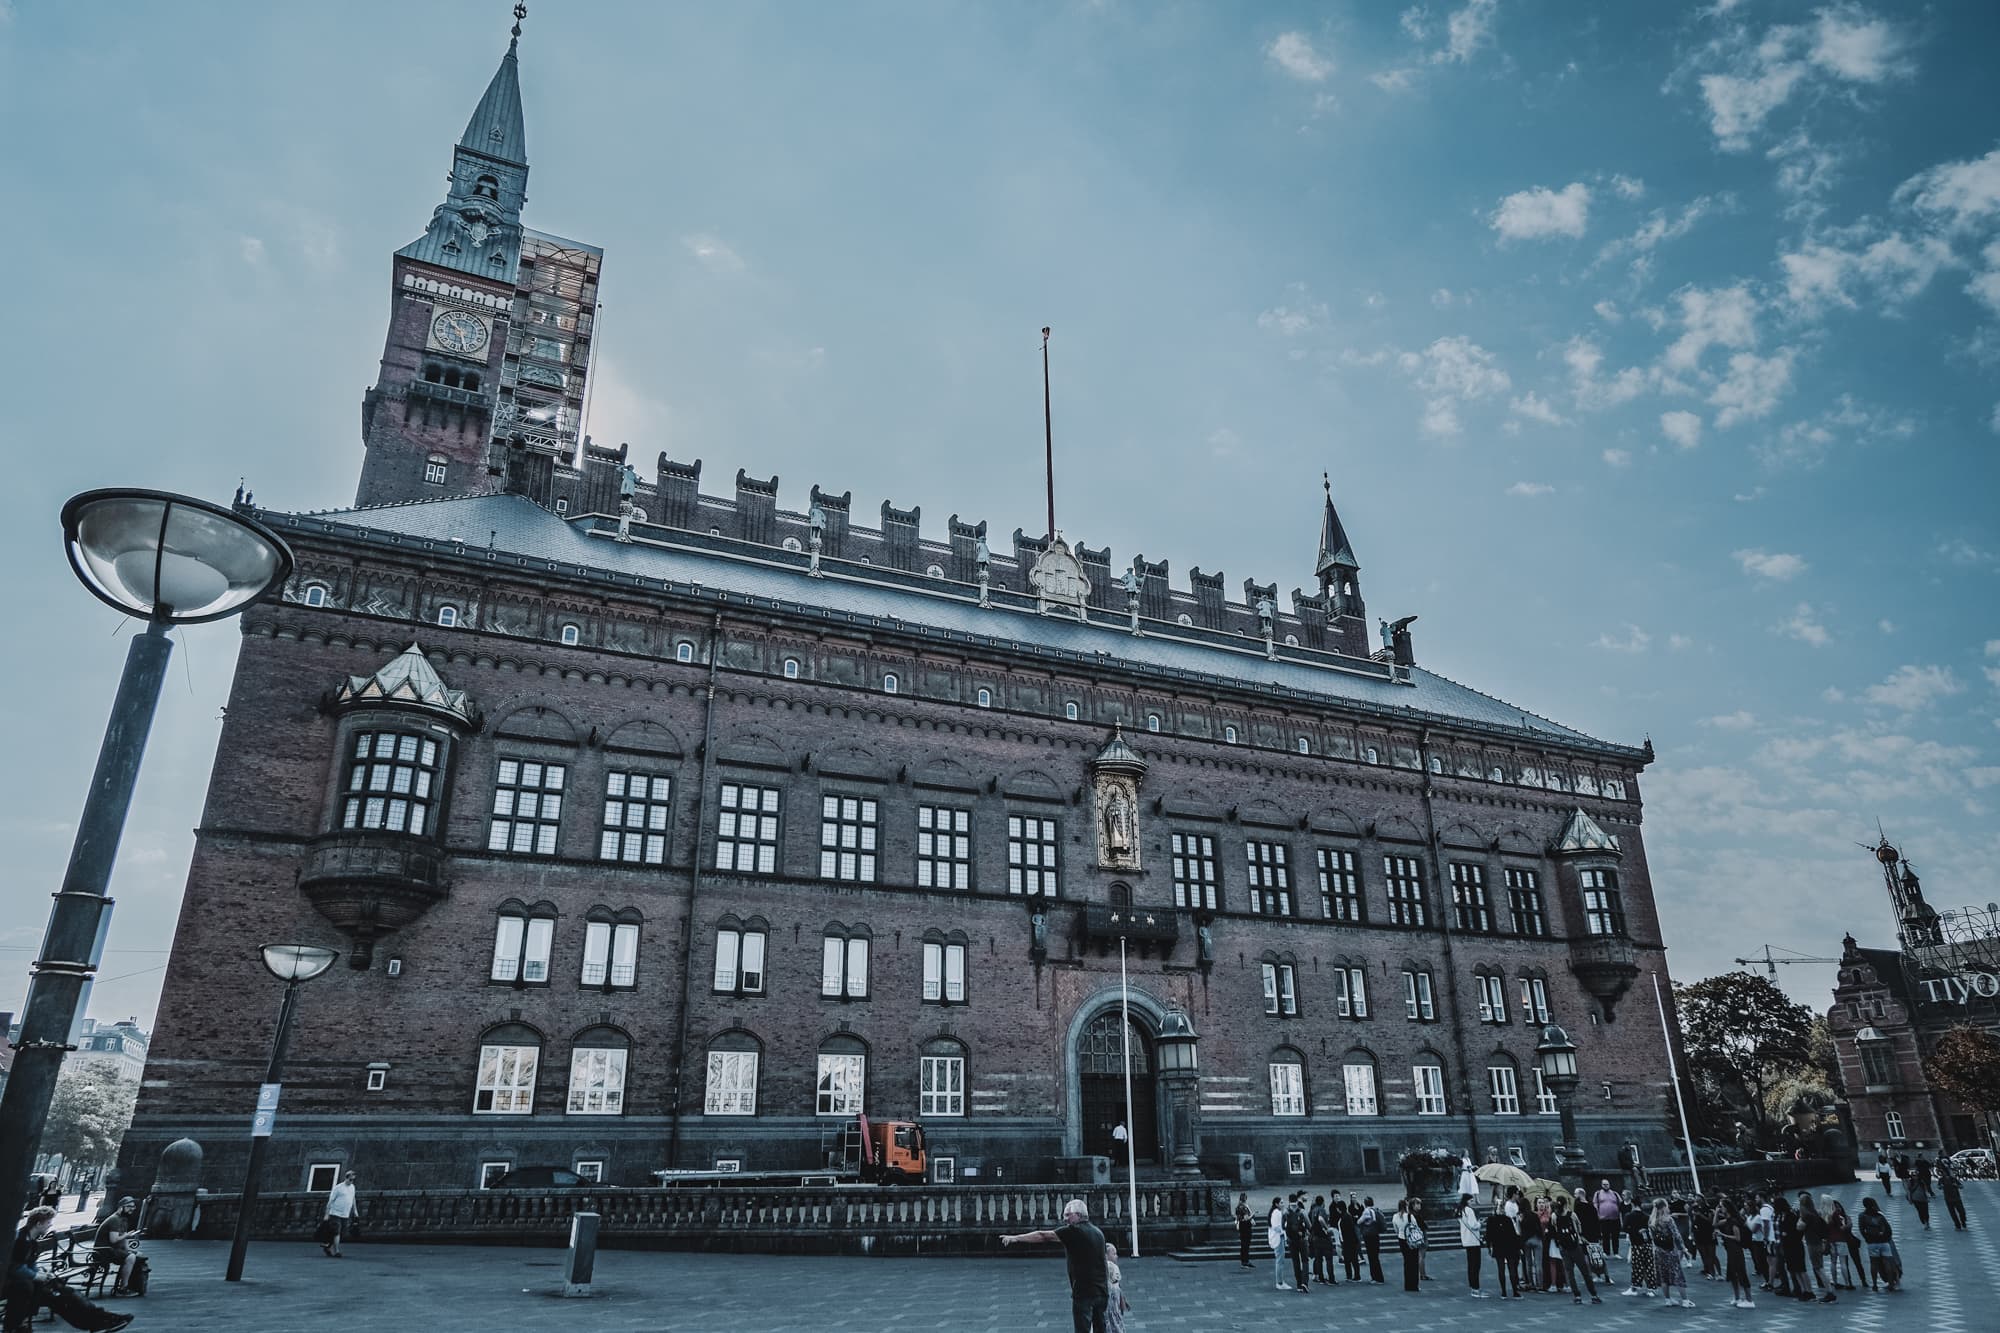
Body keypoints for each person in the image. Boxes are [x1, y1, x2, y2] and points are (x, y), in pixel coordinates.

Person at [6, 1207, 135, 1332]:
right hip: (19, 1284)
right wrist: (37, 1276)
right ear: (39, 1224)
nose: (50, 1226)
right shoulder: (22, 1241)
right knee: (62, 1298)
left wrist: (40, 1273)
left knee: (67, 1293)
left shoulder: (30, 1240)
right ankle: (99, 1322)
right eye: (48, 1223)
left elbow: (29, 1264)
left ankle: (103, 1319)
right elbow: (16, 1268)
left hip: (26, 1282)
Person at [1000, 1198, 1111, 1333]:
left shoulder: (1074, 1231)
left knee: (1082, 1329)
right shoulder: (1098, 1232)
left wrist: (1016, 1238)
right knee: (1101, 1329)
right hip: (1101, 1291)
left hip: (1084, 1291)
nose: (1064, 1219)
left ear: (1078, 1215)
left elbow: (1043, 1236)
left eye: (1067, 1215)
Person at [1551, 1196, 1601, 1304]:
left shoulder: (1554, 1216)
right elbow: (1579, 1227)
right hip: (1575, 1246)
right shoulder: (1572, 1215)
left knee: (1570, 1273)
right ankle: (1593, 1295)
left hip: (1563, 1247)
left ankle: (1577, 1296)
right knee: (1585, 1271)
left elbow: (1554, 1229)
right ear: (1565, 1204)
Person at [92, 1198, 140, 1296]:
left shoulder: (123, 1219)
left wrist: (128, 1249)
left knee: (137, 1255)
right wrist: (127, 1236)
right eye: (129, 1206)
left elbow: (122, 1238)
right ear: (121, 1207)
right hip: (103, 1251)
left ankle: (132, 1285)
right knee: (131, 1257)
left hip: (111, 1249)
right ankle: (123, 1288)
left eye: (133, 1207)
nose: (132, 1209)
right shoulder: (115, 1220)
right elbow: (113, 1239)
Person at [1717, 1198, 1754, 1309]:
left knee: (1741, 1273)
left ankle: (1749, 1299)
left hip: (1736, 1250)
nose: (1720, 1208)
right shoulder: (1727, 1220)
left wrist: (1723, 1235)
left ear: (1727, 1208)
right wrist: (1716, 1213)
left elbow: (1737, 1238)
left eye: (1722, 1206)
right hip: (1730, 1250)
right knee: (1732, 1274)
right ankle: (1737, 1297)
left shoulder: (1733, 1221)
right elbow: (1715, 1223)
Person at [1797, 1192, 1835, 1302]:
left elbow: (1799, 1227)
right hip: (1818, 1242)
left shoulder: (1807, 1215)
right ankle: (1829, 1291)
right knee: (1819, 1267)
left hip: (1812, 1243)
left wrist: (1800, 1217)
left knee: (1818, 1268)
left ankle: (1829, 1292)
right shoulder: (1816, 1214)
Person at [1857, 1196, 1898, 1292]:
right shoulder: (1879, 1214)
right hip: (1884, 1242)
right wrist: (1885, 1237)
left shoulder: (1862, 1216)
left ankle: (1875, 1285)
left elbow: (1861, 1229)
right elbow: (1888, 1228)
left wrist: (1868, 1238)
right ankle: (1891, 1283)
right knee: (1887, 1262)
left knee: (1874, 1263)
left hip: (1872, 1243)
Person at [1486, 1192, 1520, 1299]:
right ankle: (1515, 1291)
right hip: (1509, 1246)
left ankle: (1504, 1292)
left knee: (1501, 1269)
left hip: (1498, 1246)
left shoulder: (1491, 1220)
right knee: (1511, 1268)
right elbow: (1513, 1235)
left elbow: (1488, 1235)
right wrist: (1518, 1247)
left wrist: (1489, 1247)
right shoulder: (1507, 1220)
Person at [1621, 1199, 1656, 1297]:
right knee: (1649, 1266)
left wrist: (1634, 1231)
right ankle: (1651, 1288)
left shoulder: (1629, 1216)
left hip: (1636, 1243)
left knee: (1637, 1266)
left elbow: (1624, 1228)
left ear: (1632, 1204)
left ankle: (1634, 1287)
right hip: (1647, 1243)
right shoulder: (1646, 1216)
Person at [323, 1170, 359, 1257]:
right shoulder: (338, 1188)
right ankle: (337, 1251)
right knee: (337, 1232)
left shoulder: (352, 1187)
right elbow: (330, 1201)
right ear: (346, 1178)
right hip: (335, 1213)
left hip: (345, 1213)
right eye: (350, 1179)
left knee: (342, 1233)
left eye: (353, 1180)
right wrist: (327, 1214)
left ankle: (328, 1246)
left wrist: (355, 1210)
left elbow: (353, 1199)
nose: (351, 1182)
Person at [1457, 1194, 1487, 1298]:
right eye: (1471, 1200)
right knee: (1476, 1265)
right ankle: (1476, 1288)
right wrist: (1480, 1223)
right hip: (1473, 1241)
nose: (1472, 1202)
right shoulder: (1469, 1210)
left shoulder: (1461, 1210)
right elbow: (1473, 1225)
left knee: (1471, 1265)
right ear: (1467, 1201)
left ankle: (1473, 1287)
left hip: (1466, 1240)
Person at [1825, 1200, 1857, 1291]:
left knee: (1833, 1262)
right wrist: (1849, 1224)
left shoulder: (1826, 1215)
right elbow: (1841, 1228)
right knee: (1843, 1262)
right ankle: (1847, 1283)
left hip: (1831, 1240)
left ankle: (1835, 1282)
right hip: (1840, 1239)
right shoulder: (1836, 1215)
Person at [1393, 1199, 1424, 1293]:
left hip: (1402, 1240)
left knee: (1406, 1262)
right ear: (1406, 1206)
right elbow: (1416, 1228)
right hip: (1411, 1240)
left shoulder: (1395, 1216)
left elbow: (1396, 1229)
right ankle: (1414, 1285)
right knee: (1414, 1263)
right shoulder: (1410, 1216)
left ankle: (1407, 1285)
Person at [1516, 1193, 1544, 1293]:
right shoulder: (1534, 1215)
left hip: (1526, 1240)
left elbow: (1518, 1231)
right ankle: (1540, 1285)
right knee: (1538, 1263)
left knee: (1528, 1263)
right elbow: (1539, 1227)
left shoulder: (1520, 1216)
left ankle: (1531, 1284)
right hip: (1536, 1239)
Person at [1283, 1194, 1310, 1293]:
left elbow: (1282, 1226)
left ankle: (1298, 1284)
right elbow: (1309, 1225)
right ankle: (1305, 1282)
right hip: (1302, 1239)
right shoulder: (1302, 1212)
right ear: (1297, 1201)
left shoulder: (1285, 1212)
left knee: (1296, 1262)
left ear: (1289, 1201)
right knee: (1305, 1261)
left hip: (1291, 1240)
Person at [1102, 1242, 1130, 1333]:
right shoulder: (1108, 1267)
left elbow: (1118, 1286)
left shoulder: (1115, 1267)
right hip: (1110, 1306)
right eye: (1114, 1254)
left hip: (1115, 1306)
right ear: (1105, 1255)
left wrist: (1123, 1301)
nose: (1116, 1256)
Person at [1592, 1179, 1623, 1257]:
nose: (1606, 1186)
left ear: (1609, 1185)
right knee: (1605, 1236)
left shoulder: (1614, 1193)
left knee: (1615, 1236)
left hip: (1615, 1218)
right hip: (1603, 1219)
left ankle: (1616, 1252)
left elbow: (1621, 1203)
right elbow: (1595, 1204)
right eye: (1604, 1184)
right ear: (1602, 1185)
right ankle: (1606, 1252)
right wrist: (1597, 1214)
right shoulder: (1598, 1193)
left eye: (1607, 1184)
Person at [1309, 1194, 1335, 1285]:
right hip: (1324, 1237)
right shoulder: (1321, 1210)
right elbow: (1320, 1219)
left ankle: (1321, 1278)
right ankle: (1331, 1279)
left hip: (1315, 1237)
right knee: (1328, 1259)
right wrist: (1327, 1228)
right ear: (1323, 1202)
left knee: (1318, 1259)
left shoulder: (1313, 1210)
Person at [1359, 1196, 1385, 1283]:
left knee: (1371, 1256)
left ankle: (1375, 1277)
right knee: (1375, 1256)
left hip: (1369, 1235)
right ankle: (1379, 1276)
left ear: (1365, 1203)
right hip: (1376, 1234)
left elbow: (1359, 1221)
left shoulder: (1367, 1211)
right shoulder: (1376, 1210)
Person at [1337, 1199, 1363, 1282]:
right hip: (1351, 1240)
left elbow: (1347, 1231)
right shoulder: (1347, 1216)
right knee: (1352, 1259)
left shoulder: (1345, 1217)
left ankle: (1352, 1276)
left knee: (1350, 1259)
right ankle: (1354, 1275)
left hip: (1348, 1241)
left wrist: (1343, 1241)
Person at [1267, 1196, 1289, 1290]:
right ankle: (1279, 1282)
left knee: (1280, 1261)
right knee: (1280, 1261)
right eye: (1281, 1203)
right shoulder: (1276, 1212)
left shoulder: (1277, 1212)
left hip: (1279, 1237)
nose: (1283, 1204)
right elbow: (1276, 1226)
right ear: (1276, 1204)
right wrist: (1283, 1231)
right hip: (1278, 1238)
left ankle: (1280, 1281)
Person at [1938, 1160, 1967, 1230]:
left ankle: (1963, 1223)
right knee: (1953, 1213)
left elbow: (1961, 1186)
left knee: (1962, 1212)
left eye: (1945, 1172)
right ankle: (1957, 1226)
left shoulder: (1953, 1179)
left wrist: (1956, 1185)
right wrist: (1941, 1186)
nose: (1944, 1174)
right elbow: (1939, 1187)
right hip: (1948, 1199)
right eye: (1943, 1173)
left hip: (1957, 1198)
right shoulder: (1941, 1180)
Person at [1233, 1192, 1253, 1269]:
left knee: (1244, 1244)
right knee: (1246, 1244)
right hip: (1245, 1226)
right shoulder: (1243, 1207)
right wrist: (1253, 1215)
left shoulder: (1239, 1206)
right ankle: (1245, 1261)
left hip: (1242, 1225)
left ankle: (1245, 1261)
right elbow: (1246, 1218)